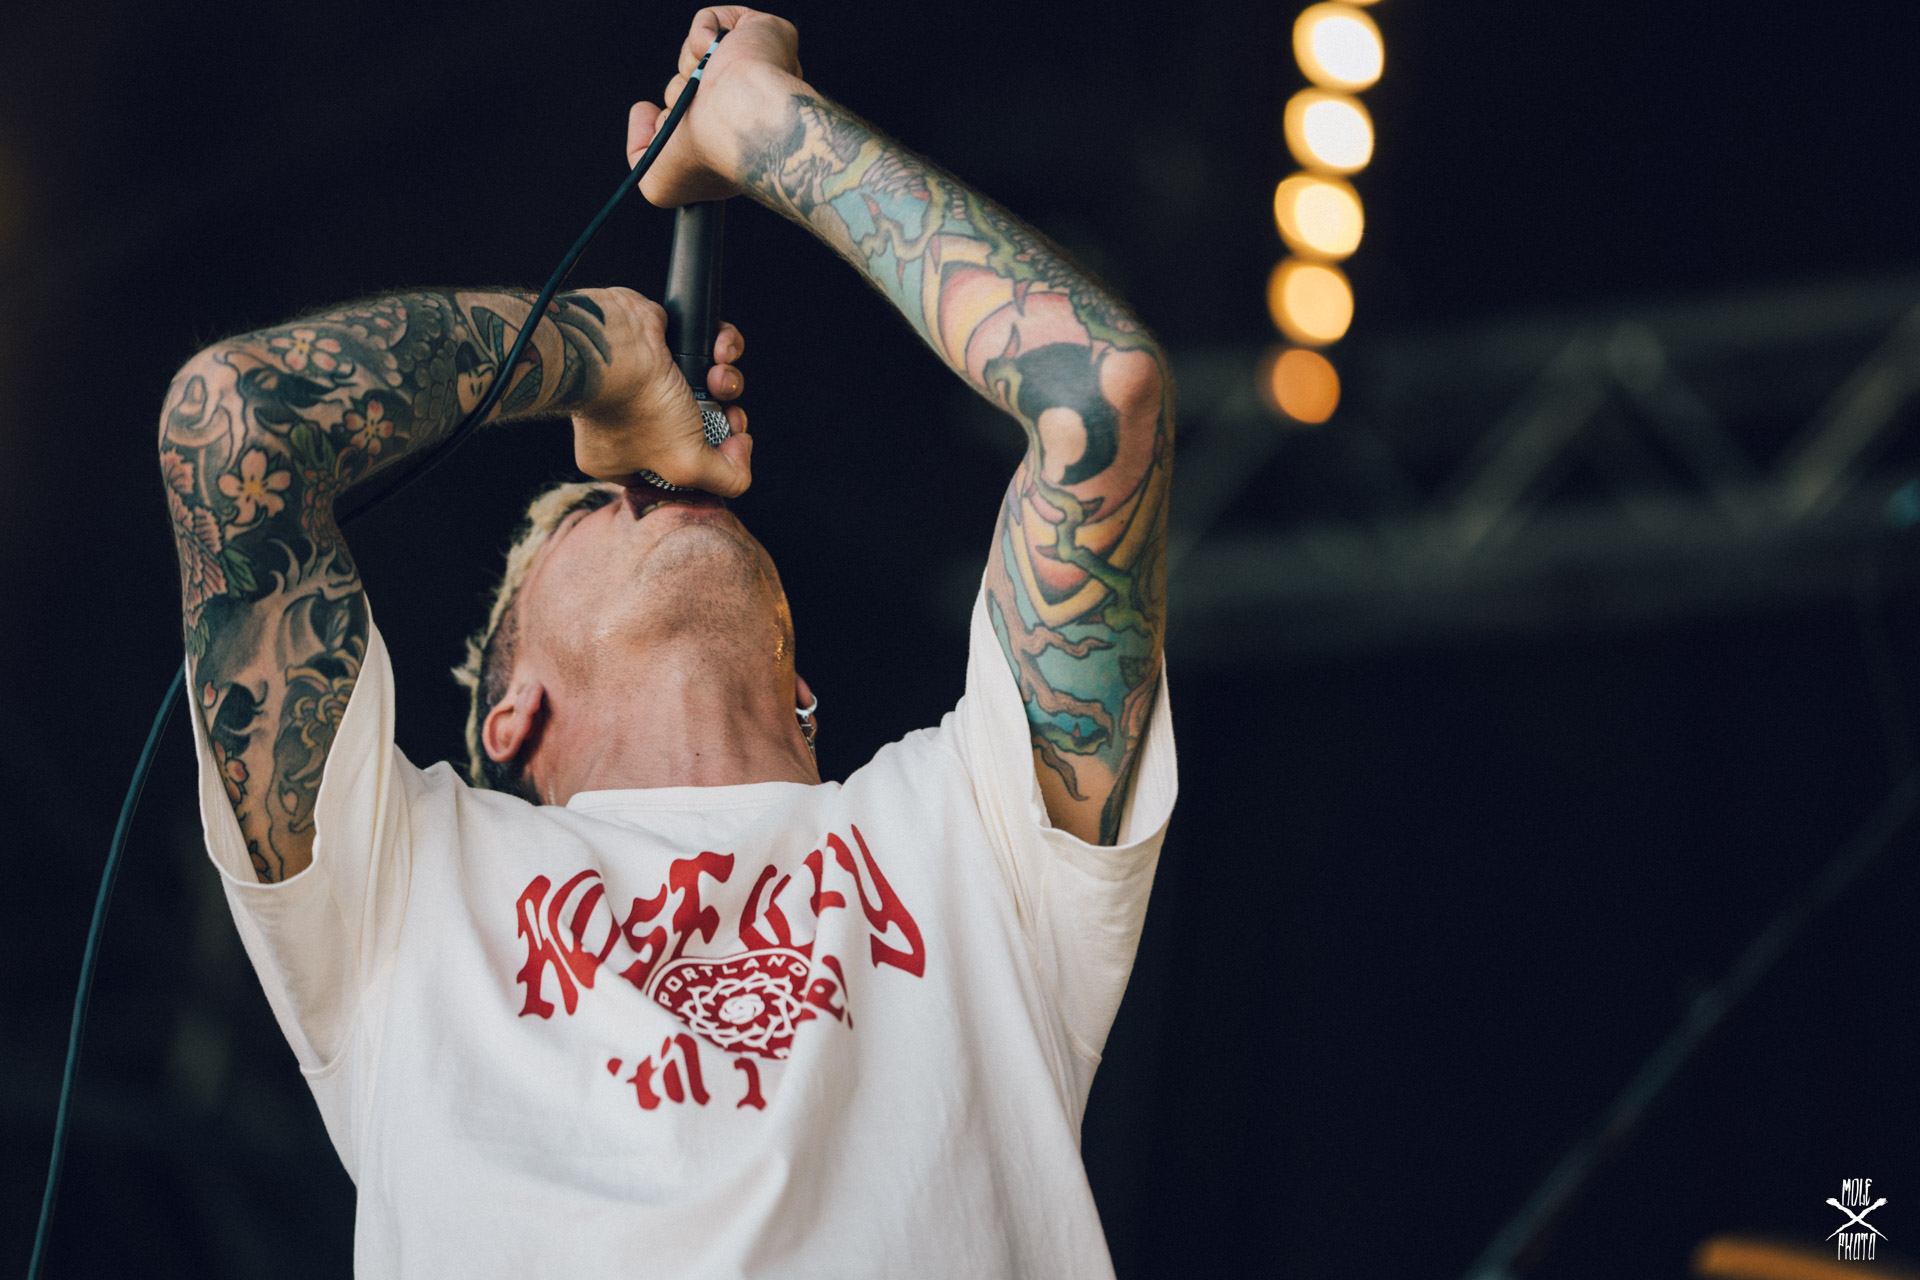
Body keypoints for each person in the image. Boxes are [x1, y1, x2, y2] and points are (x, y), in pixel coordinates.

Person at [159, 7, 1176, 1275]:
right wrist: (596, 355)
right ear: (510, 712)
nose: (654, 482)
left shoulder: (969, 835)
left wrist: (767, 130)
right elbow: (235, 422)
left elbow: (1100, 395)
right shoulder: (407, 886)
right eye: (598, 504)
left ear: (804, 688)